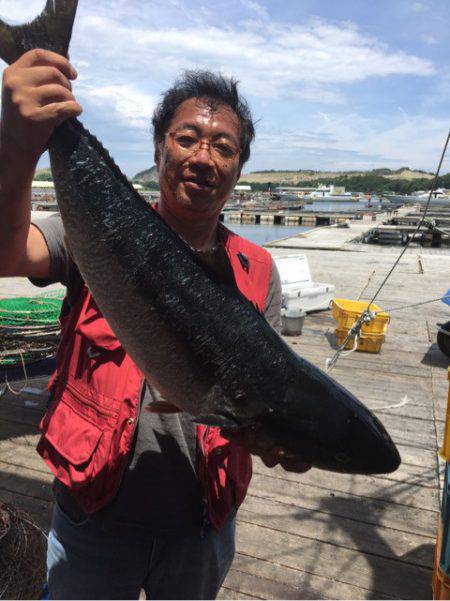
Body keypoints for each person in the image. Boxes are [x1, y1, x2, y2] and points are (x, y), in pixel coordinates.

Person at [0, 50, 311, 600]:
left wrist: (284, 439)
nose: (204, 156)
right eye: (186, 137)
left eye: (224, 146)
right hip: (92, 519)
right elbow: (6, 251)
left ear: (239, 167)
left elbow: (265, 395)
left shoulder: (259, 270)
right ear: (159, 148)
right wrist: (20, 142)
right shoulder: (97, 229)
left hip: (201, 527)